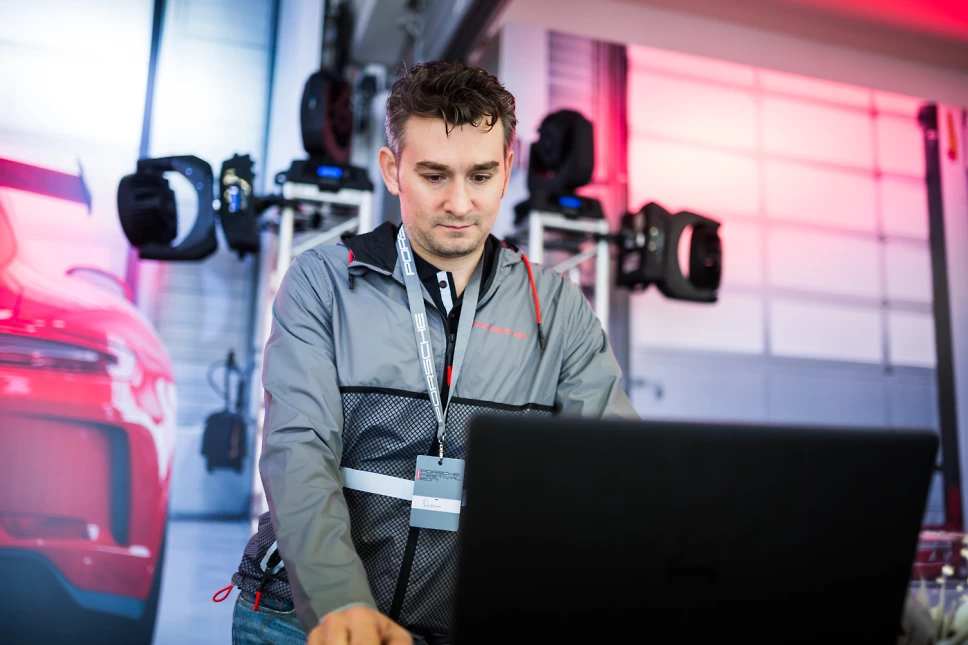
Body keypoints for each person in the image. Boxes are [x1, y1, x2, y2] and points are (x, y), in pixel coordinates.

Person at [228, 60, 638, 645]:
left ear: (507, 170)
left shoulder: (558, 308)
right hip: (303, 618)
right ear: (392, 170)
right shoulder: (322, 282)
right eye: (434, 175)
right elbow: (299, 452)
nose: (459, 204)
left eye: (480, 175)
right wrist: (340, 602)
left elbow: (614, 471)